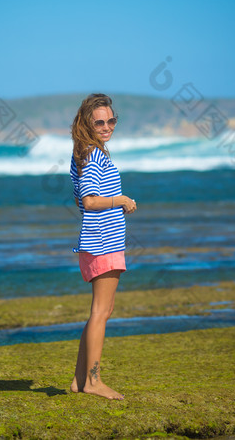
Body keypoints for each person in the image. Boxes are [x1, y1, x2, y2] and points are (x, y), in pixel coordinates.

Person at [69, 93, 137, 400]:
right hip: (102, 243)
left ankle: (79, 380)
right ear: (87, 122)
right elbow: (88, 200)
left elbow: (81, 197)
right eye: (100, 121)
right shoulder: (92, 156)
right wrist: (120, 201)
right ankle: (94, 383)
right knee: (101, 311)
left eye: (111, 120)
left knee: (100, 311)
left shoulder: (87, 153)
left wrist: (111, 208)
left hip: (100, 240)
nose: (107, 126)